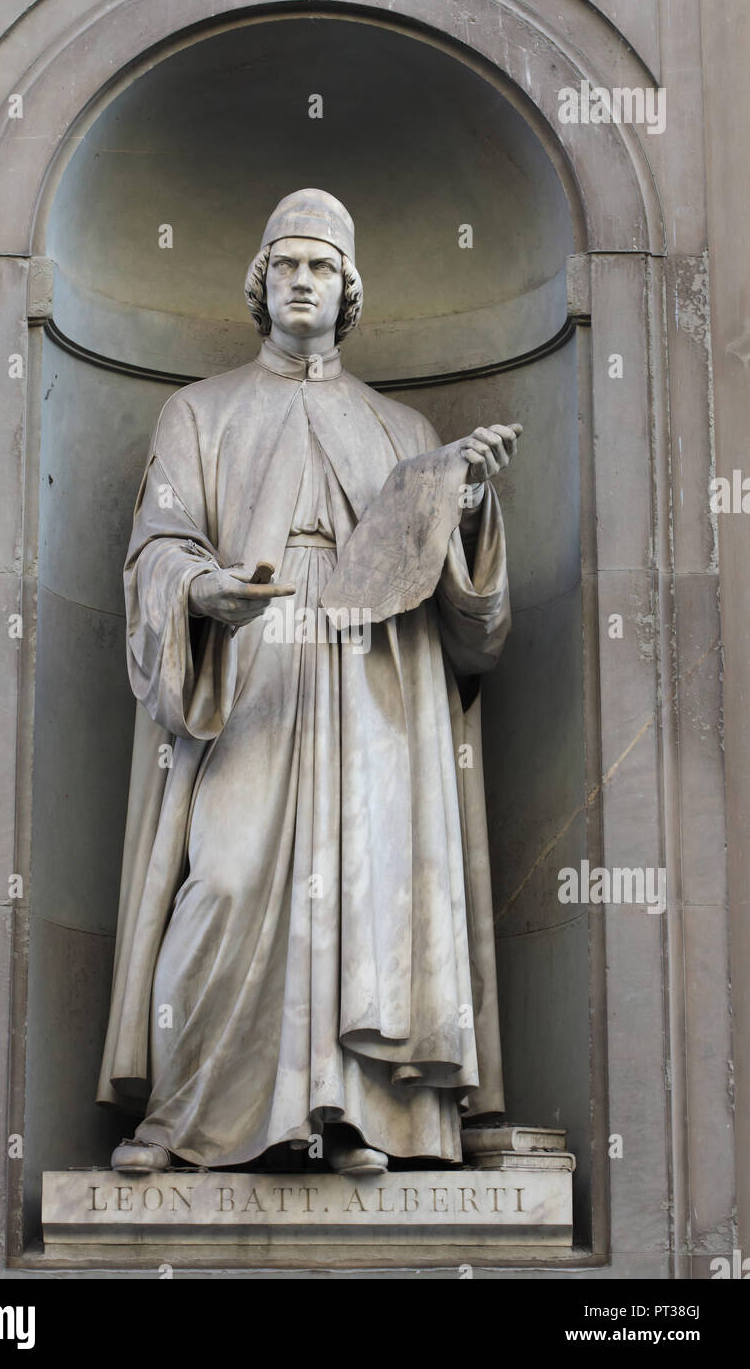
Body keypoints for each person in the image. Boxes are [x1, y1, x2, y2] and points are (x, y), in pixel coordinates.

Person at [97, 189, 520, 1175]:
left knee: (368, 891)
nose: (299, 280)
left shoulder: (399, 427)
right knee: (230, 878)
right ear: (259, 283)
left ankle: (352, 1114)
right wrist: (201, 590)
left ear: (346, 290)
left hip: (372, 683)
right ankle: (185, 1112)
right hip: (251, 673)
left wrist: (463, 507)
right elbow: (154, 548)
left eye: (319, 267)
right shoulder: (198, 411)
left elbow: (464, 624)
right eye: (283, 263)